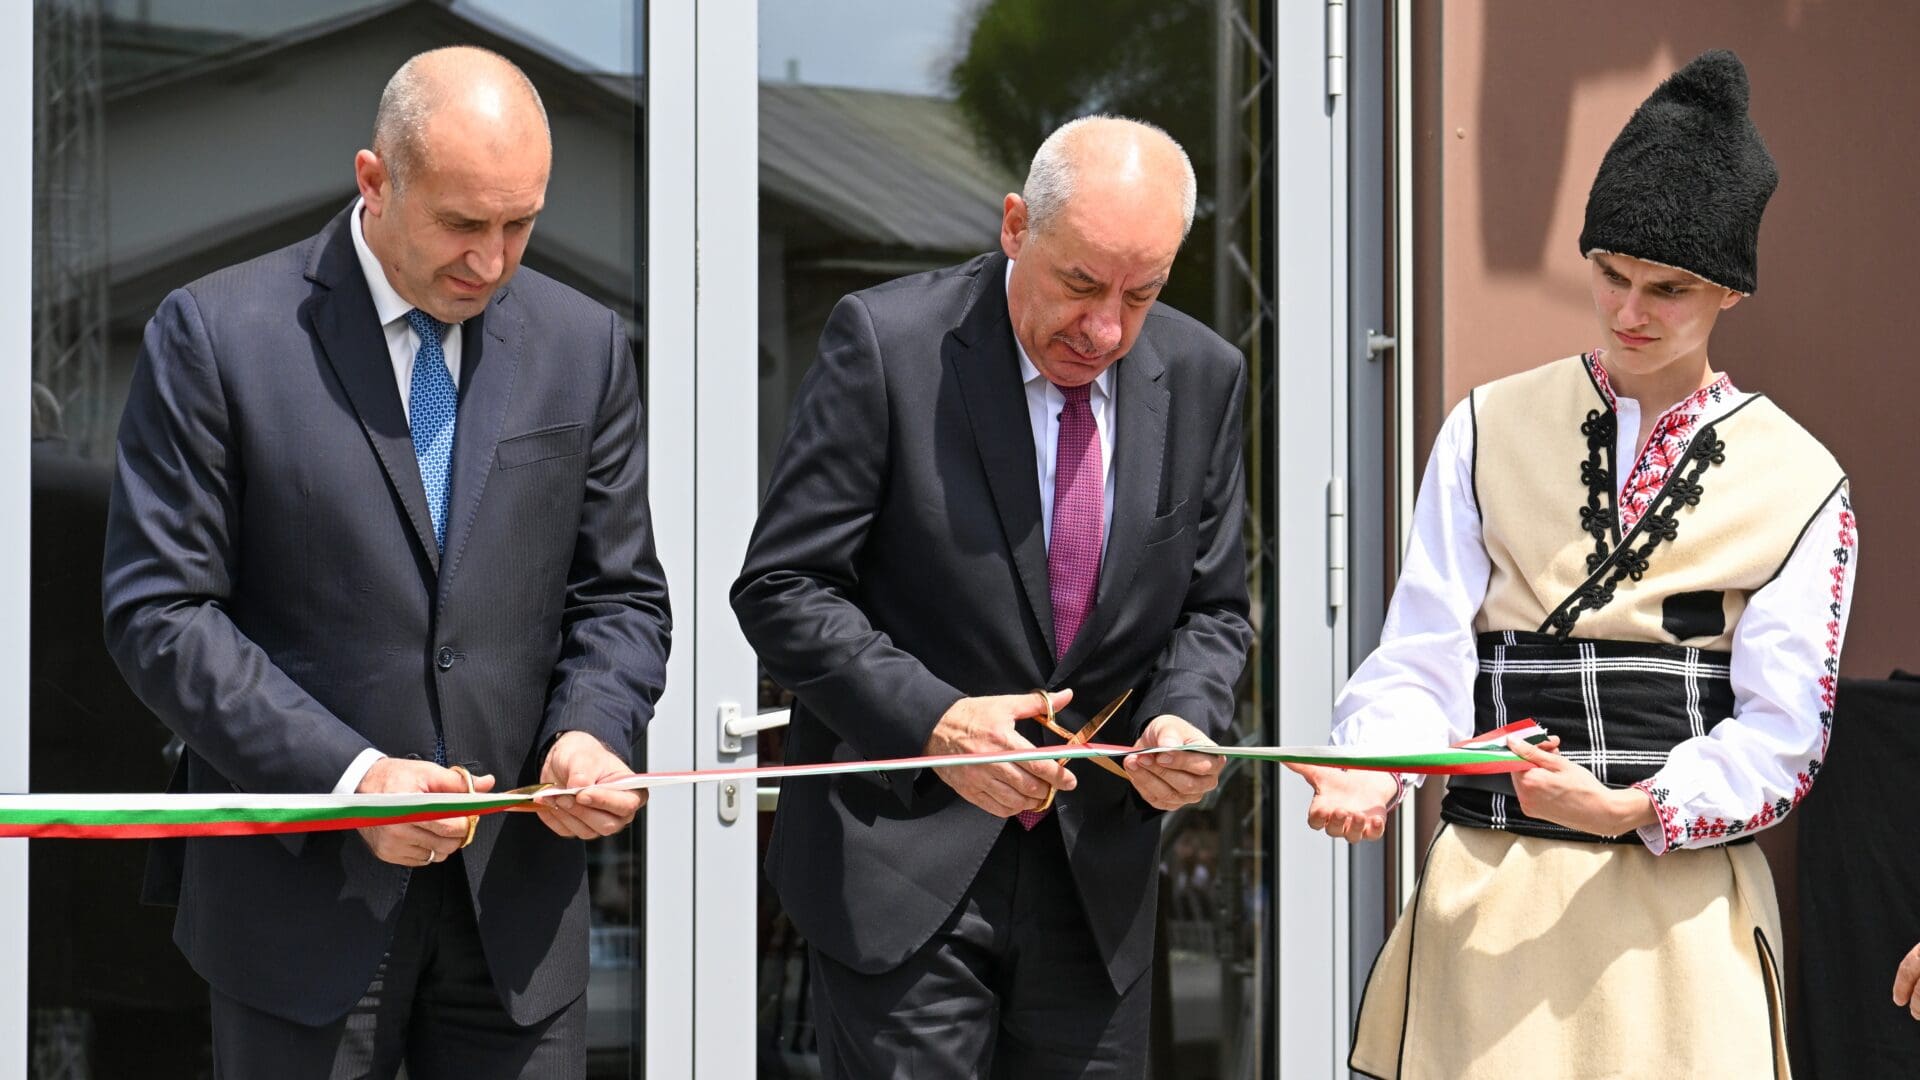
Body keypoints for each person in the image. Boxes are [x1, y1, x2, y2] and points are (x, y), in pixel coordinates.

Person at [102, 46, 671, 1077]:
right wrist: (351, 778)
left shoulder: (586, 347)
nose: (492, 261)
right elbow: (161, 614)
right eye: (462, 223)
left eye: (520, 223)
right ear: (375, 181)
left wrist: (594, 727)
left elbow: (620, 596)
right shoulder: (218, 335)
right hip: (301, 907)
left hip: (519, 921)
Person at [1290, 50, 1857, 1079]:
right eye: (1608, 273)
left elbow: (1783, 732)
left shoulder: (1802, 480)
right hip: (1491, 901)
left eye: (1668, 288)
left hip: (1681, 920)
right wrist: (1376, 769)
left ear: (1729, 290)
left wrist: (1632, 806)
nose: (1629, 311)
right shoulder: (1483, 426)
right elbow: (1423, 655)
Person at [732, 115, 1252, 1077]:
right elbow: (783, 585)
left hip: (1097, 886)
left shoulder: (1205, 378)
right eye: (1081, 284)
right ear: (1016, 226)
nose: (1105, 329)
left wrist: (1185, 716)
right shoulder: (889, 344)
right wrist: (934, 720)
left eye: (1142, 295)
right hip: (903, 867)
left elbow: (1213, 611)